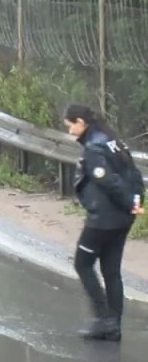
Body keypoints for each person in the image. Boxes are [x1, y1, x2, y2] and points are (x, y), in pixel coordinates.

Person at [63, 104, 145, 341]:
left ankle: (102, 319)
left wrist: (130, 201)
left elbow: (109, 181)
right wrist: (136, 202)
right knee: (111, 270)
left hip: (103, 219)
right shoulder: (113, 141)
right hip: (122, 218)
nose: (70, 132)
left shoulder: (94, 148)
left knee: (82, 263)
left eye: (70, 126)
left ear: (80, 122)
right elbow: (133, 174)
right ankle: (114, 325)